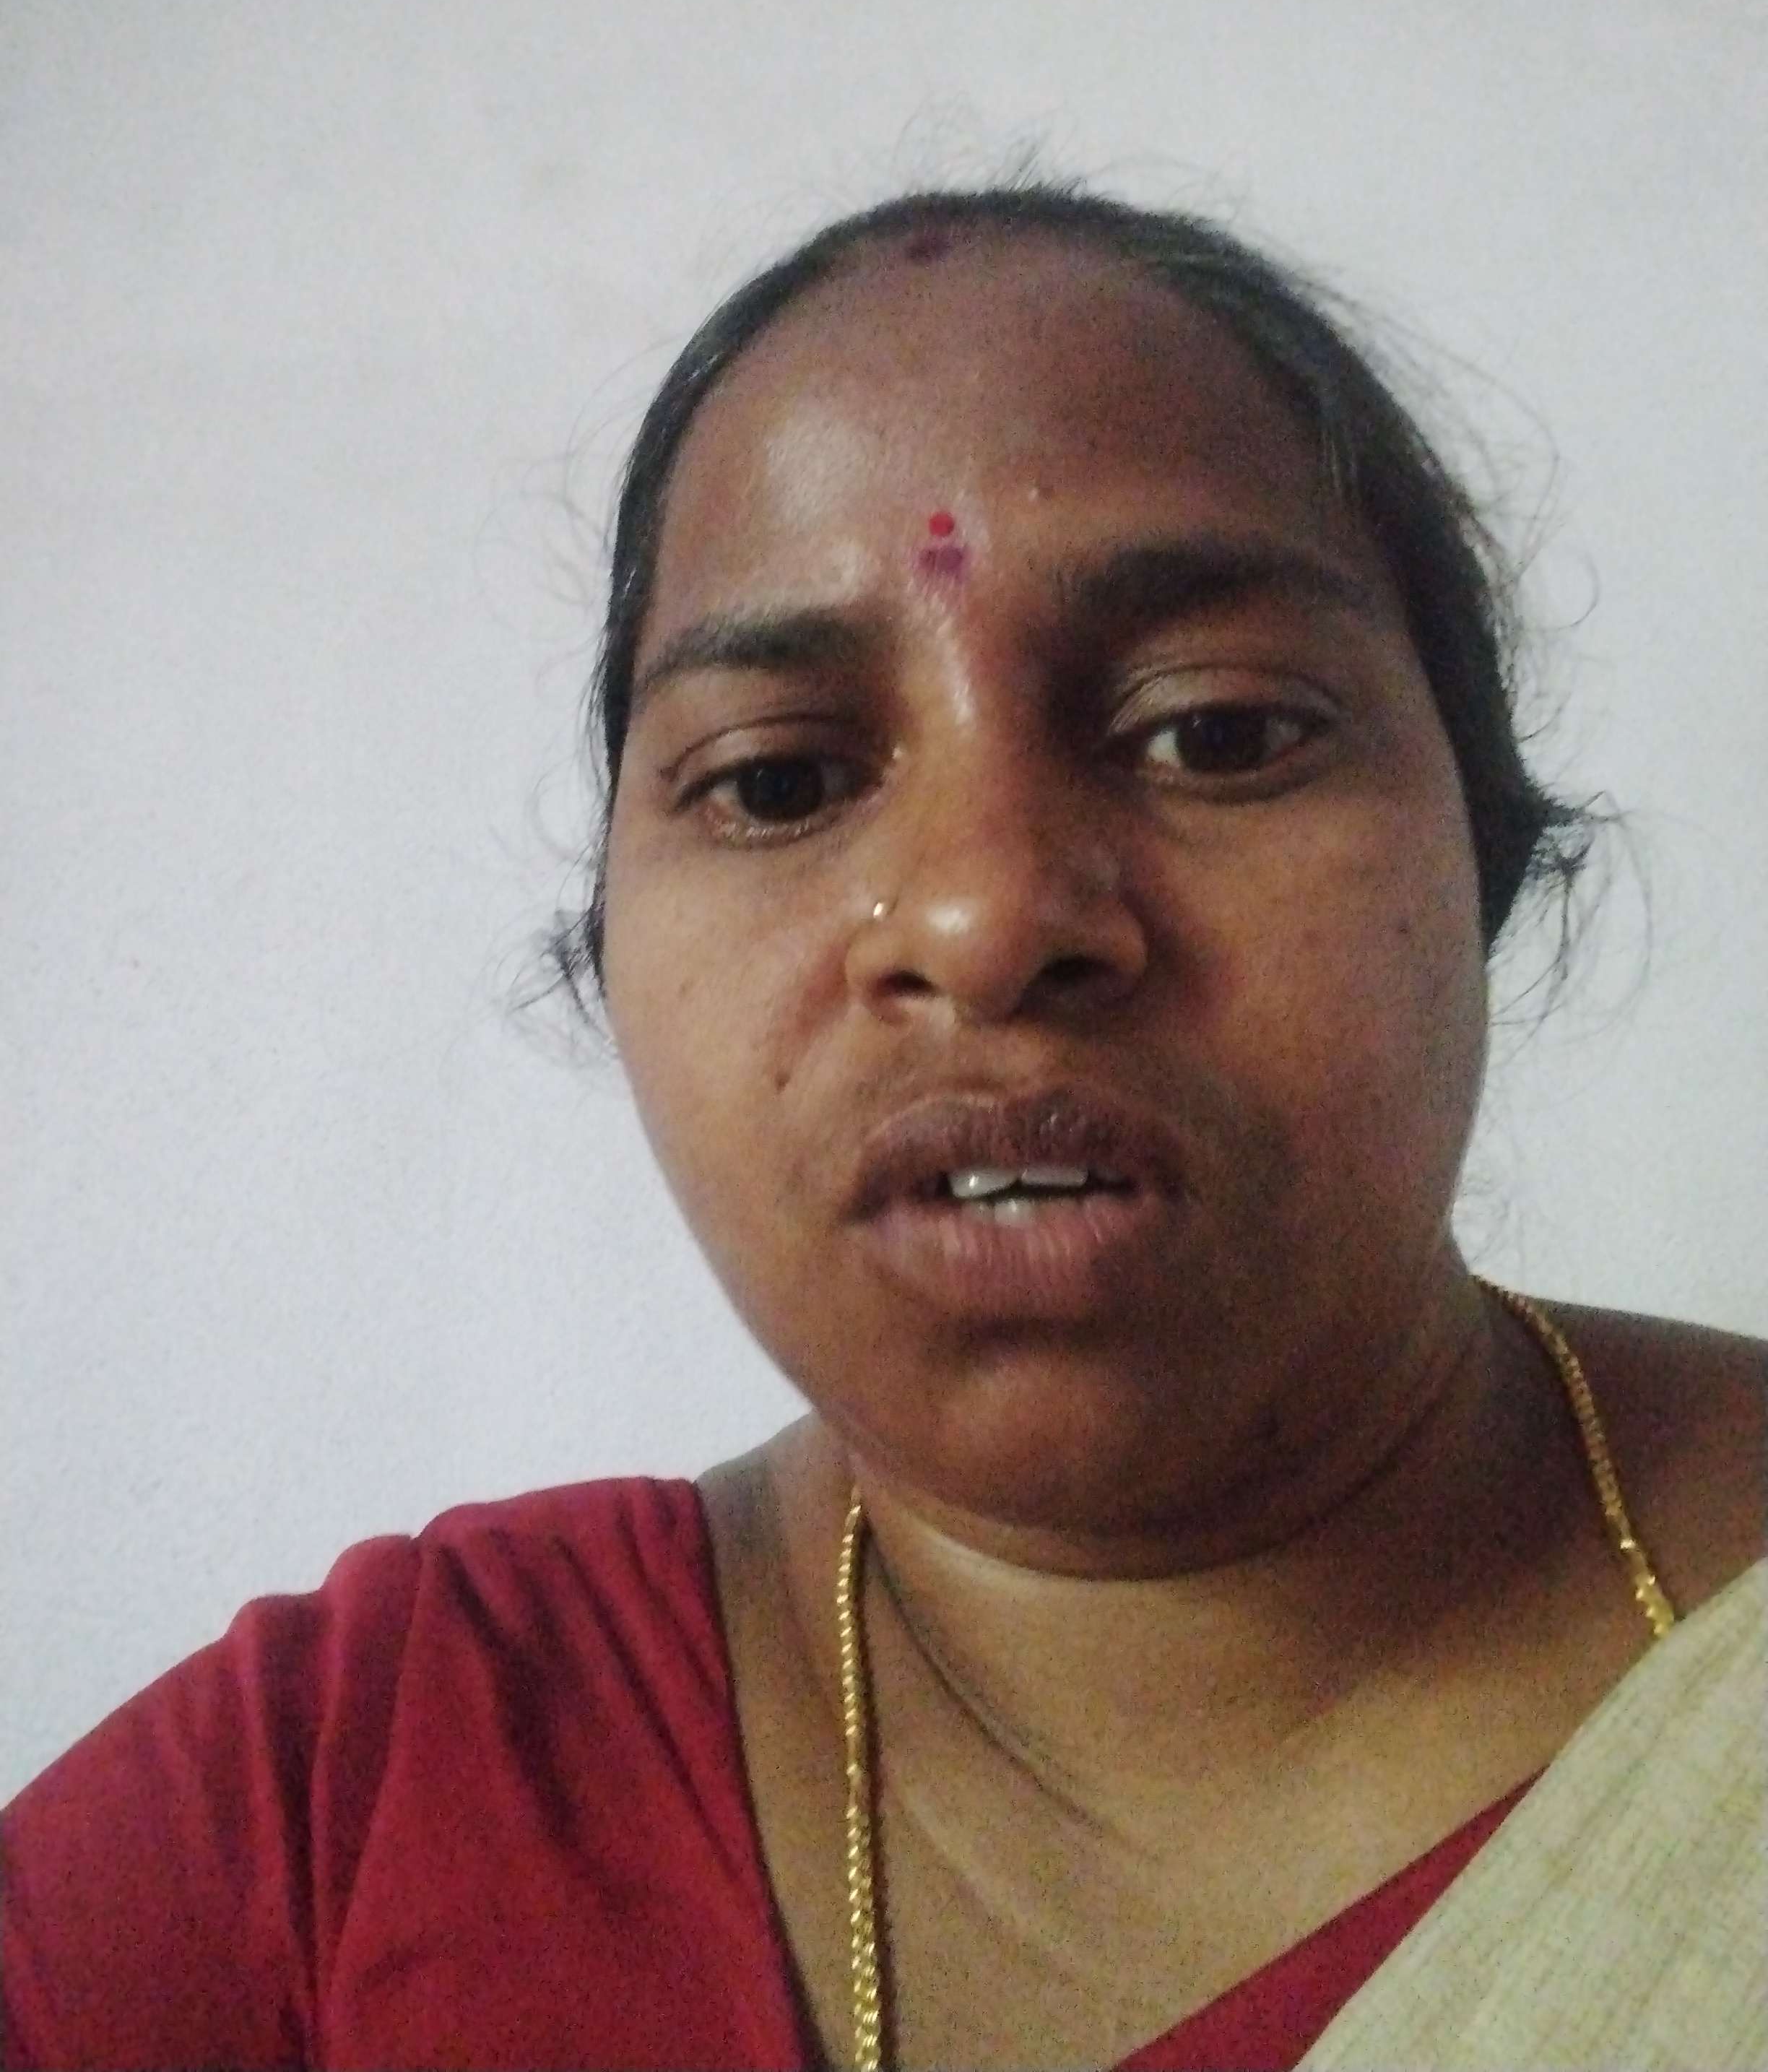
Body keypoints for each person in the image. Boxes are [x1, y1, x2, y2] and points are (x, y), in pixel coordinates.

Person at [4, 185, 1763, 2072]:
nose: (984, 919)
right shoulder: (336, 1801)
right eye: (779, 781)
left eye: (1220, 733)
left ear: (1484, 849)